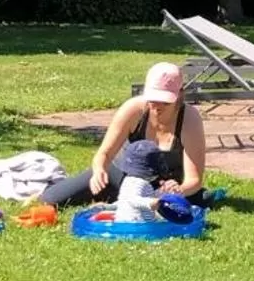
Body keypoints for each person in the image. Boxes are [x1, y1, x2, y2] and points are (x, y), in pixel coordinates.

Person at [42, 62, 209, 211]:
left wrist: (178, 190)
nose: (157, 106)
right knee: (49, 199)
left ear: (180, 95)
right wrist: (99, 170)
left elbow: (194, 180)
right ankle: (115, 197)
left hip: (162, 187)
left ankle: (121, 201)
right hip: (121, 176)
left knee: (189, 202)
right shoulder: (134, 110)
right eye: (153, 99)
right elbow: (104, 154)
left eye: (165, 101)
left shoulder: (190, 119)